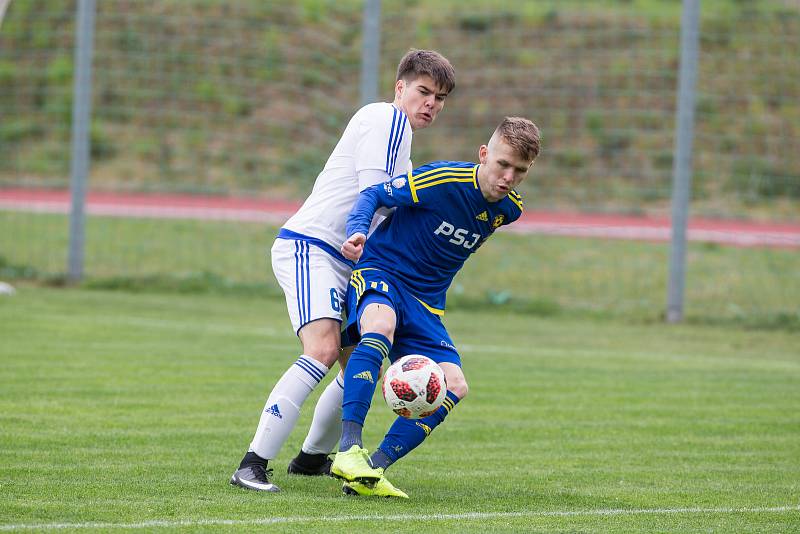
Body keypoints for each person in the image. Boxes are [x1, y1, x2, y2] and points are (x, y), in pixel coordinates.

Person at [229, 50, 456, 492]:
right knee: (323, 349)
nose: (431, 103)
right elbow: (376, 195)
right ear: (400, 88)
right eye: (423, 91)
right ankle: (251, 465)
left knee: (357, 365)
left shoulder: (403, 147)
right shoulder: (386, 121)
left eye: (440, 97)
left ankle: (311, 458)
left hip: (343, 259)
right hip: (312, 246)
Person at [330, 117, 541, 498]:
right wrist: (358, 230)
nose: (508, 177)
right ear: (483, 155)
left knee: (455, 385)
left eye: (519, 170)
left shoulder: (510, 209)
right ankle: (348, 450)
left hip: (427, 305)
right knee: (381, 325)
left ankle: (370, 471)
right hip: (383, 271)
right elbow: (375, 195)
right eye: (502, 164)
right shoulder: (443, 180)